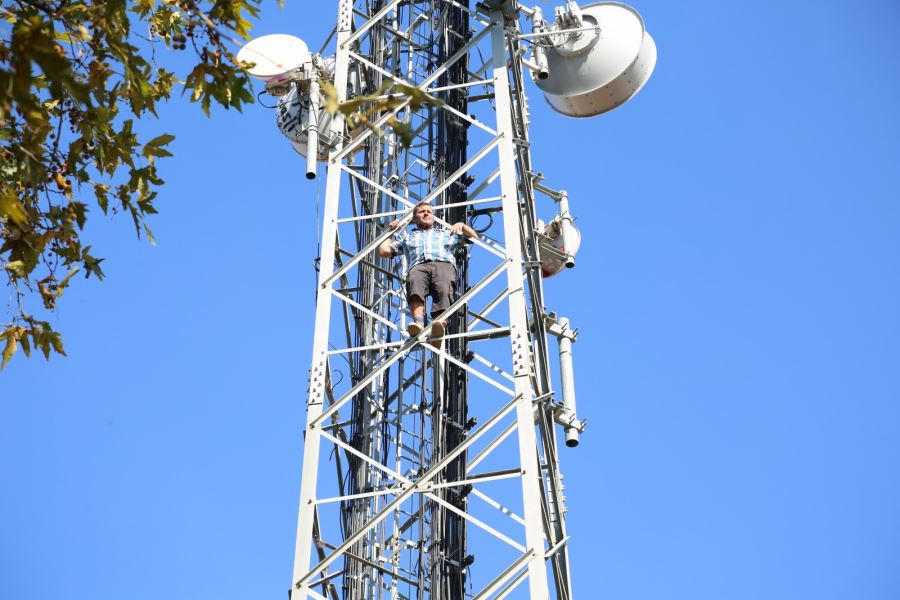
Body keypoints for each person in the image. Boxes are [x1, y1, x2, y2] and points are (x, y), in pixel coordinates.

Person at [378, 201, 478, 342]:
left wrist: (463, 226)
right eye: (422, 212)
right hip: (418, 265)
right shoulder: (407, 237)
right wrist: (390, 233)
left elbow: (474, 237)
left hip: (443, 263)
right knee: (415, 287)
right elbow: (383, 251)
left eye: (429, 212)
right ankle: (418, 323)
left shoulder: (446, 233)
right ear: (414, 219)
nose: (426, 213)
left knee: (443, 289)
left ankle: (439, 325)